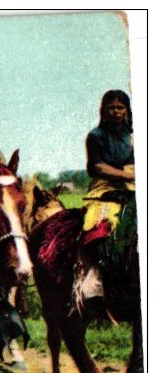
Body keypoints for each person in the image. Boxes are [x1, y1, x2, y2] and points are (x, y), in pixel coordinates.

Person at [76, 90, 135, 302]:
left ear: (127, 111)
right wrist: (126, 173)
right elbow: (96, 166)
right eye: (111, 108)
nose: (116, 112)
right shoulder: (96, 136)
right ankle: (94, 274)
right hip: (104, 188)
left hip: (135, 187)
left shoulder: (135, 136)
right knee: (99, 224)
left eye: (120, 108)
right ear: (104, 111)